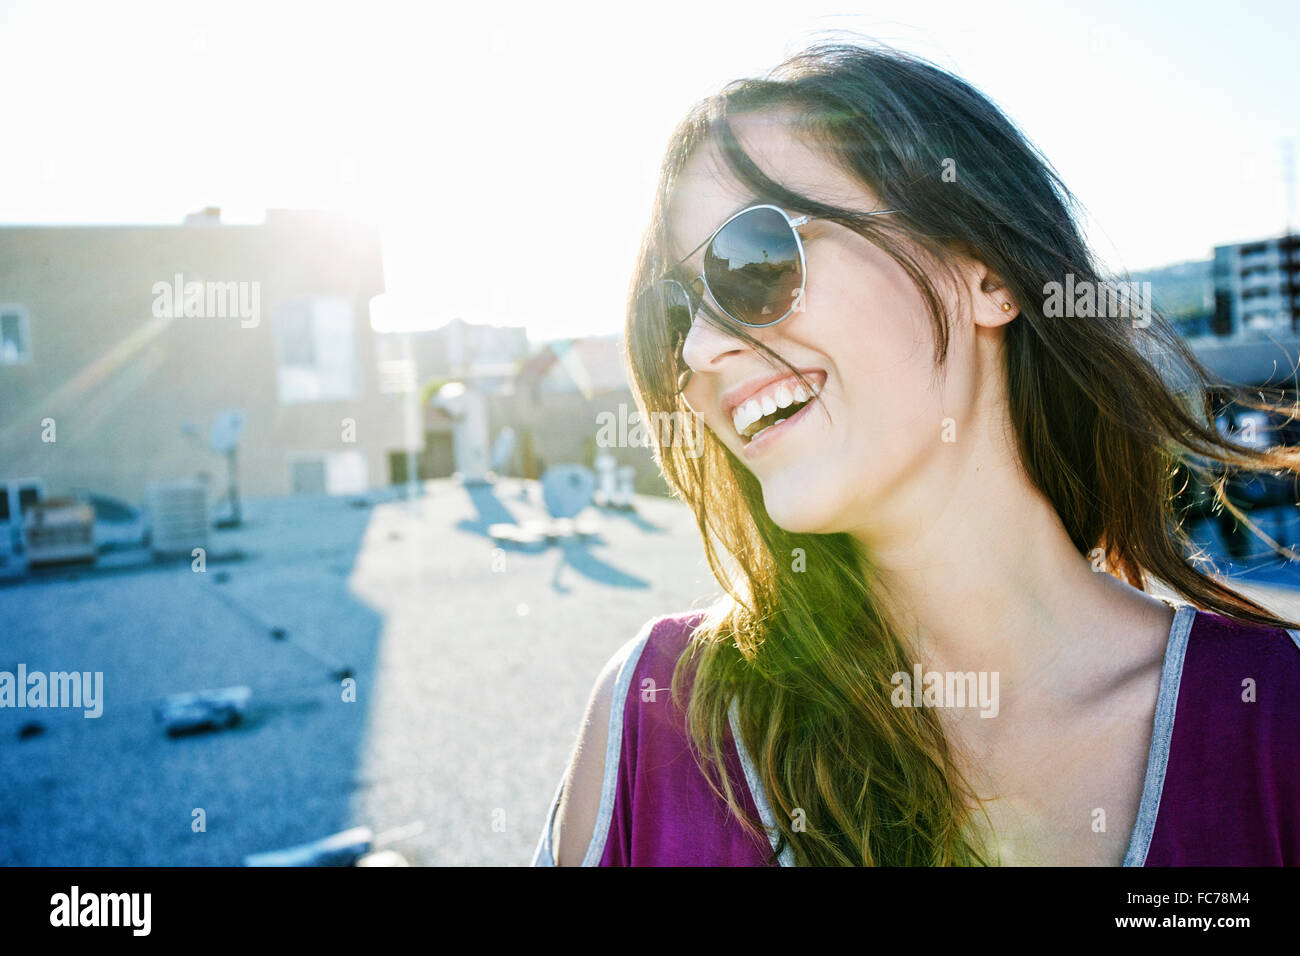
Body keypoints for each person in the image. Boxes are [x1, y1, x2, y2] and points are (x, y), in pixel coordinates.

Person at [532, 37, 1300, 866]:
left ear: (988, 276)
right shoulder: (658, 718)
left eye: (752, 259)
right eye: (671, 318)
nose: (700, 349)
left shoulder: (1271, 719)